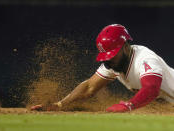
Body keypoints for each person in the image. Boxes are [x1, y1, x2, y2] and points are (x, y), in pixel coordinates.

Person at [31, 24, 174, 112]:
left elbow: (152, 88)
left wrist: (129, 105)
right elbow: (89, 87)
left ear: (125, 47)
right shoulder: (115, 62)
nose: (108, 59)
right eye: (106, 56)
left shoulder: (145, 59)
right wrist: (60, 105)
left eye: (112, 54)